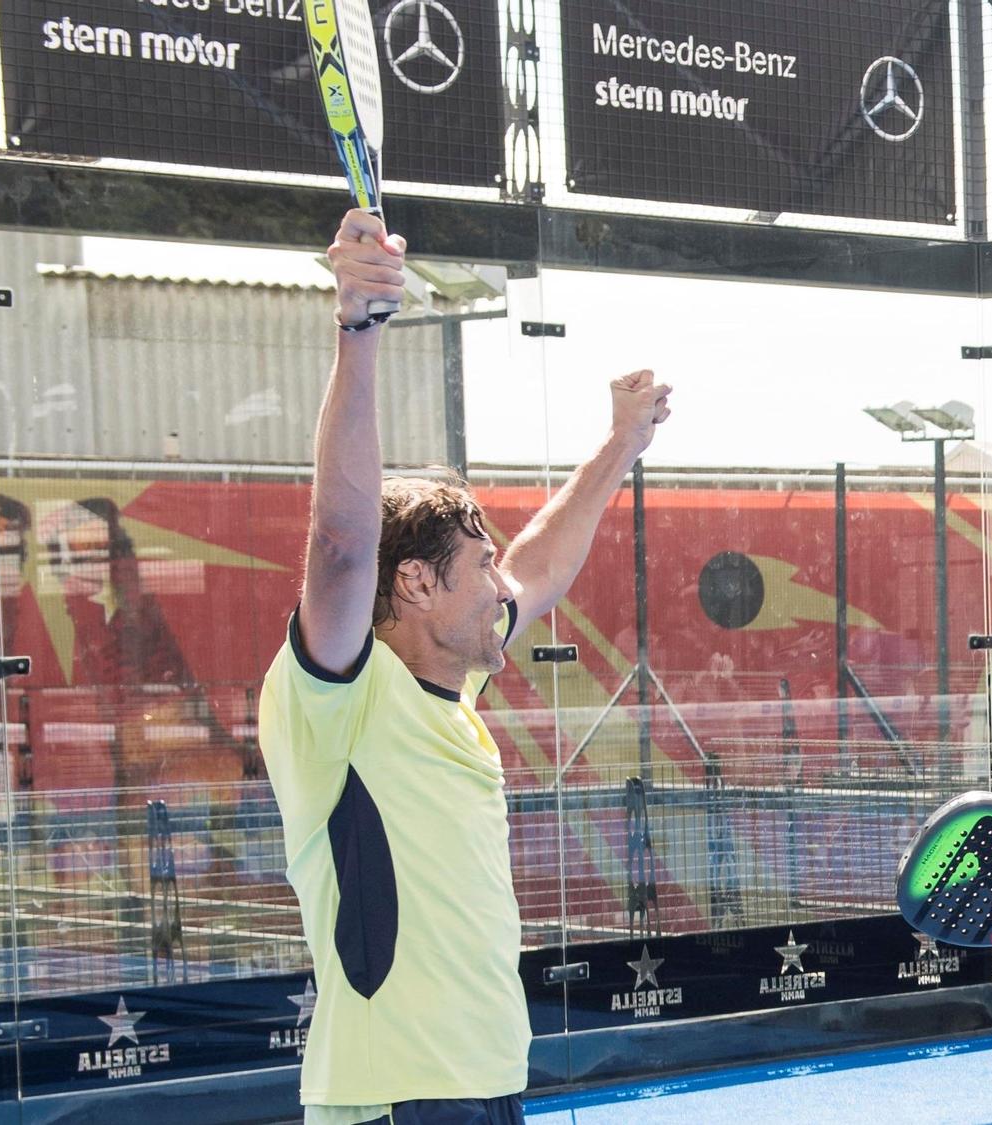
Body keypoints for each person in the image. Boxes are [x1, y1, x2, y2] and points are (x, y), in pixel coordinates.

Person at [257, 210, 673, 1125]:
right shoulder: (340, 698)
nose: (500, 584)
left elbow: (539, 565)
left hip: (485, 1084)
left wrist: (621, 445)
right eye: (476, 566)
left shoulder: (454, 687)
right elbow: (337, 543)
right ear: (411, 582)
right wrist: (359, 327)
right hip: (396, 1096)